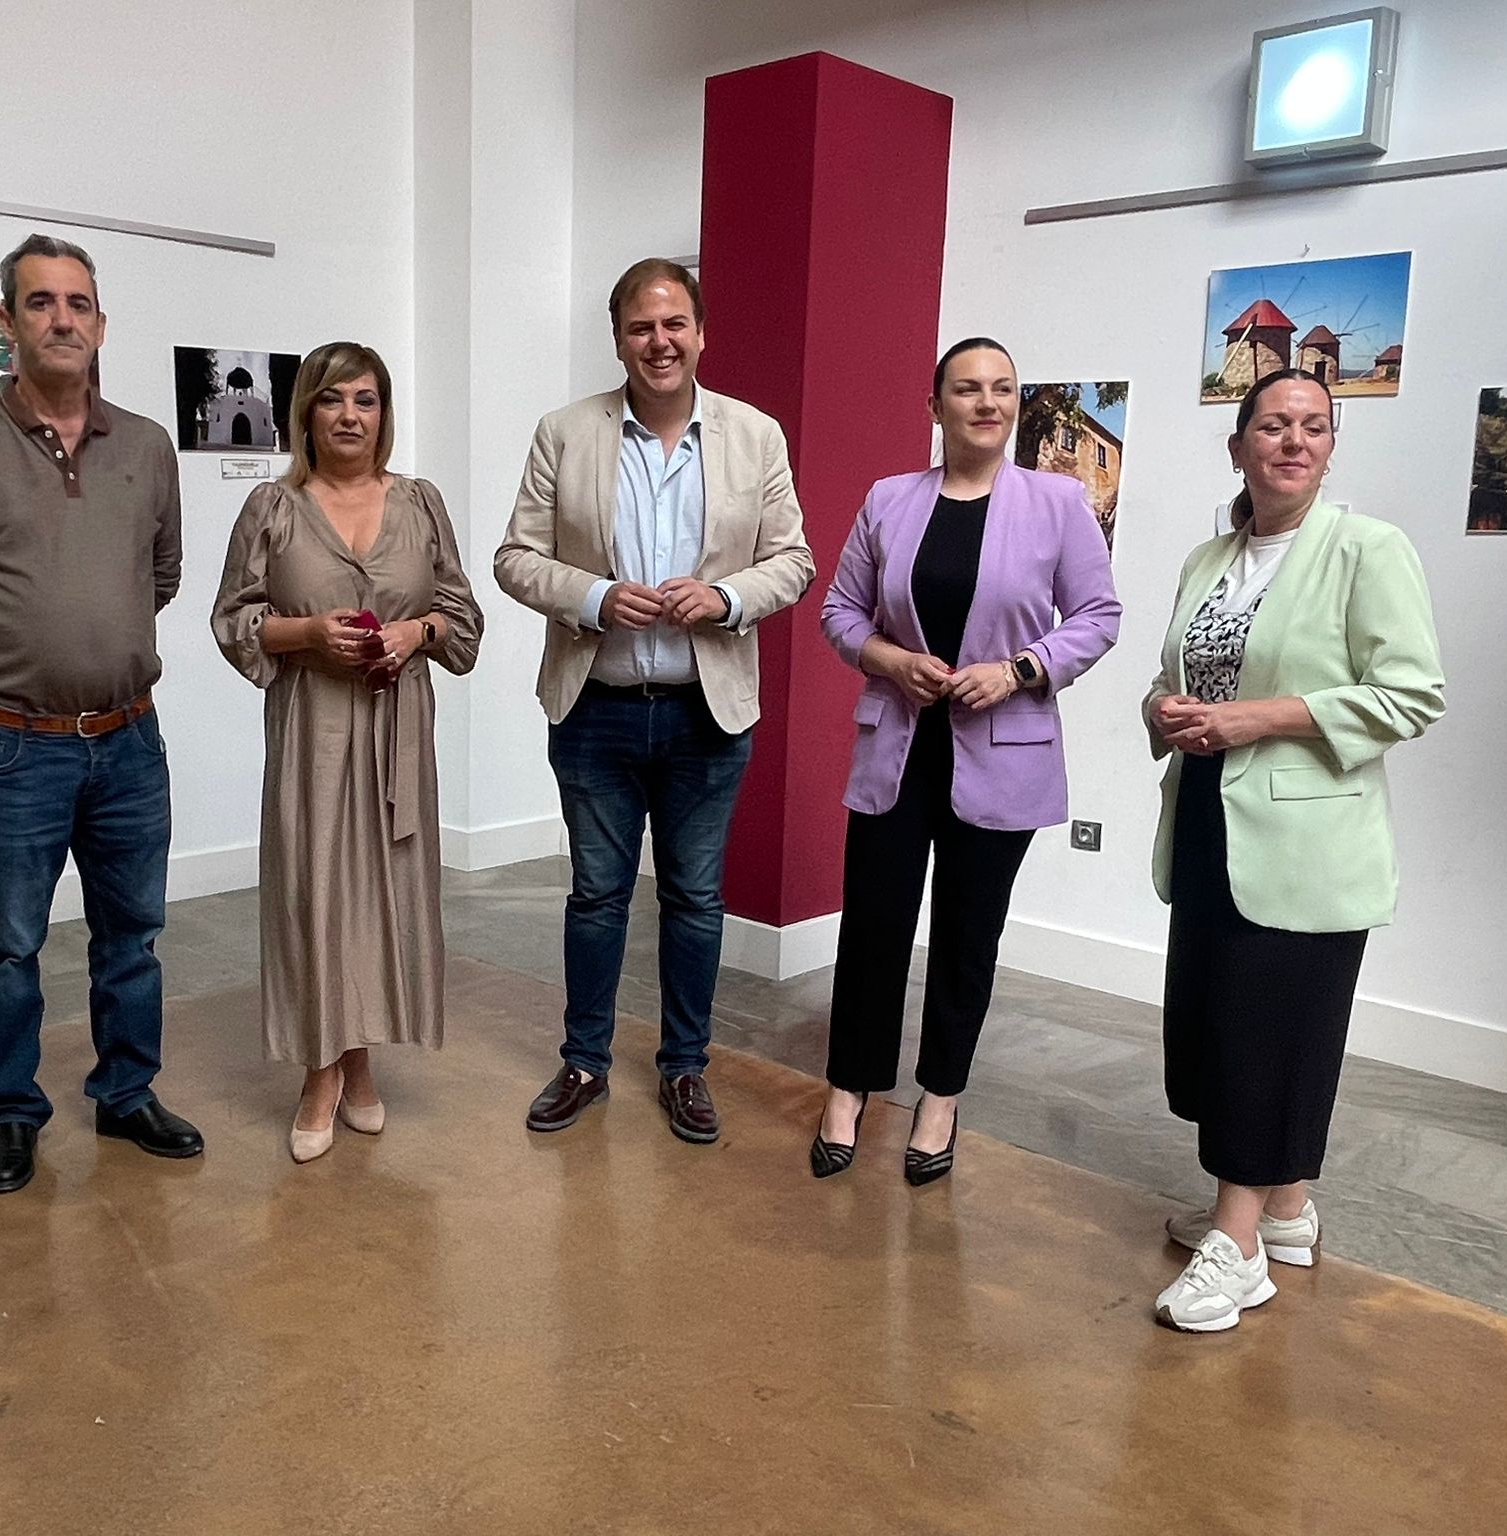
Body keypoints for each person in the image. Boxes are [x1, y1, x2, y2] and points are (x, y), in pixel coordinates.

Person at [0, 233, 203, 1195]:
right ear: (7, 320)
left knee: (133, 935)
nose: (62, 319)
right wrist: (5, 653)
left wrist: (95, 640)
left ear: (101, 324)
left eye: (78, 303)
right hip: (11, 748)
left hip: (129, 739)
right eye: (40, 302)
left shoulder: (146, 445)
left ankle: (126, 1094)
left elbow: (162, 574)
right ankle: (14, 1114)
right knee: (10, 942)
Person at [1146, 369, 1445, 1333]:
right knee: (1213, 1026)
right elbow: (1174, 673)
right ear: (1238, 445)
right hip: (1207, 819)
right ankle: (1283, 1211)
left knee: (1264, 1035)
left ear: (1331, 448)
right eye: (1273, 425)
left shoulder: (1368, 550)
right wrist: (1163, 709)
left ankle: (1235, 1248)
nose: (1294, 441)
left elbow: (1412, 694)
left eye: (1314, 426)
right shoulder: (1209, 558)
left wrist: (1259, 718)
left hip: (1310, 837)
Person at [495, 258, 814, 1144]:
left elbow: (793, 560)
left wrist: (725, 598)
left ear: (702, 334)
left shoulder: (755, 435)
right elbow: (515, 557)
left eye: (675, 325)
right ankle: (584, 1062)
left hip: (705, 712)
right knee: (596, 896)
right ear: (618, 338)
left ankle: (684, 1068)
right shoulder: (565, 433)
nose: (659, 342)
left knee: (695, 900)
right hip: (594, 707)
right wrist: (594, 597)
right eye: (641, 327)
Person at [810, 337, 1122, 1183]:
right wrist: (890, 659)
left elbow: (1097, 615)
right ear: (935, 406)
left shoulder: (1058, 502)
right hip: (898, 746)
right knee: (872, 927)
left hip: (1003, 751)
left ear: (1015, 403)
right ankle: (849, 1086)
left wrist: (1019, 669)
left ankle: (940, 1098)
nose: (987, 402)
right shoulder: (889, 499)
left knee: (966, 936)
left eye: (1003, 388)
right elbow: (841, 612)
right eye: (967, 388)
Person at [212, 343, 482, 1162]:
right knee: (313, 894)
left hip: (398, 730)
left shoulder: (421, 503)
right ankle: (319, 1072)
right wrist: (307, 633)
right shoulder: (273, 506)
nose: (350, 416)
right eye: (332, 400)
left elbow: (463, 622)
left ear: (383, 413)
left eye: (365, 400)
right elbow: (233, 620)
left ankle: (359, 1062)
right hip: (314, 727)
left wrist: (416, 632)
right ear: (306, 412)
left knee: (383, 896)